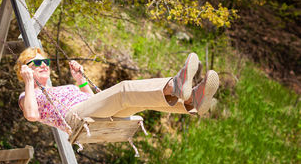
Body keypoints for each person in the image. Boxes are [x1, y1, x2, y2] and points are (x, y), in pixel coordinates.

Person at [16, 47, 219, 135]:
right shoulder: (27, 95)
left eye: (46, 61)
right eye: (37, 62)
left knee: (138, 102)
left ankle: (191, 102)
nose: (44, 65)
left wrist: (80, 81)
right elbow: (32, 115)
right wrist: (28, 81)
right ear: (25, 68)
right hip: (74, 116)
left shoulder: (58, 88)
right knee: (124, 89)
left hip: (90, 111)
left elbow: (94, 101)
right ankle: (174, 85)